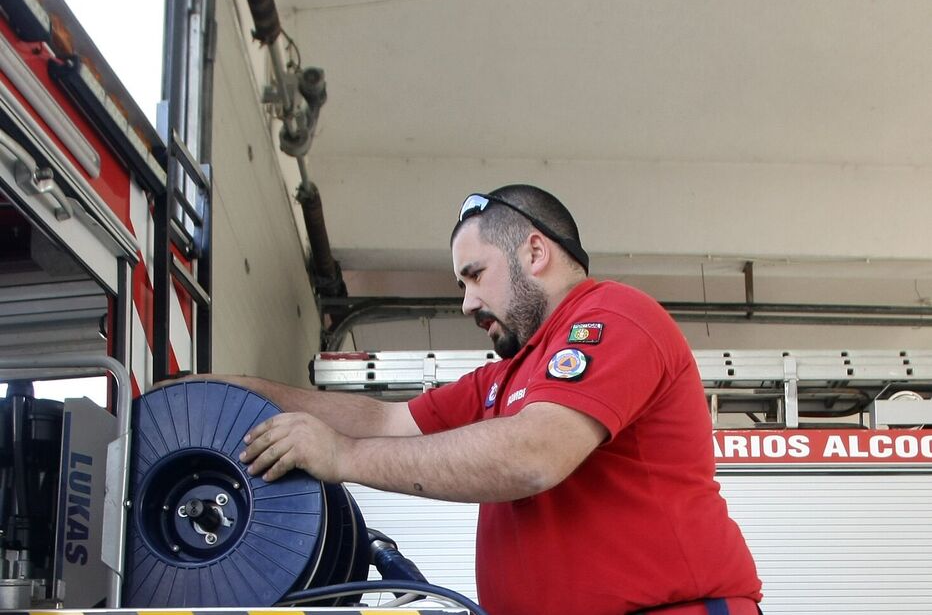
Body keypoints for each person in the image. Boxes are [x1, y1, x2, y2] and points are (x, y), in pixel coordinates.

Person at [213, 184, 763, 614]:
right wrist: (235, 392)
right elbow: (386, 418)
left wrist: (343, 457)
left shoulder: (613, 318)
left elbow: (533, 455)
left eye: (475, 275)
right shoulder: (509, 377)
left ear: (535, 251)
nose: (466, 302)